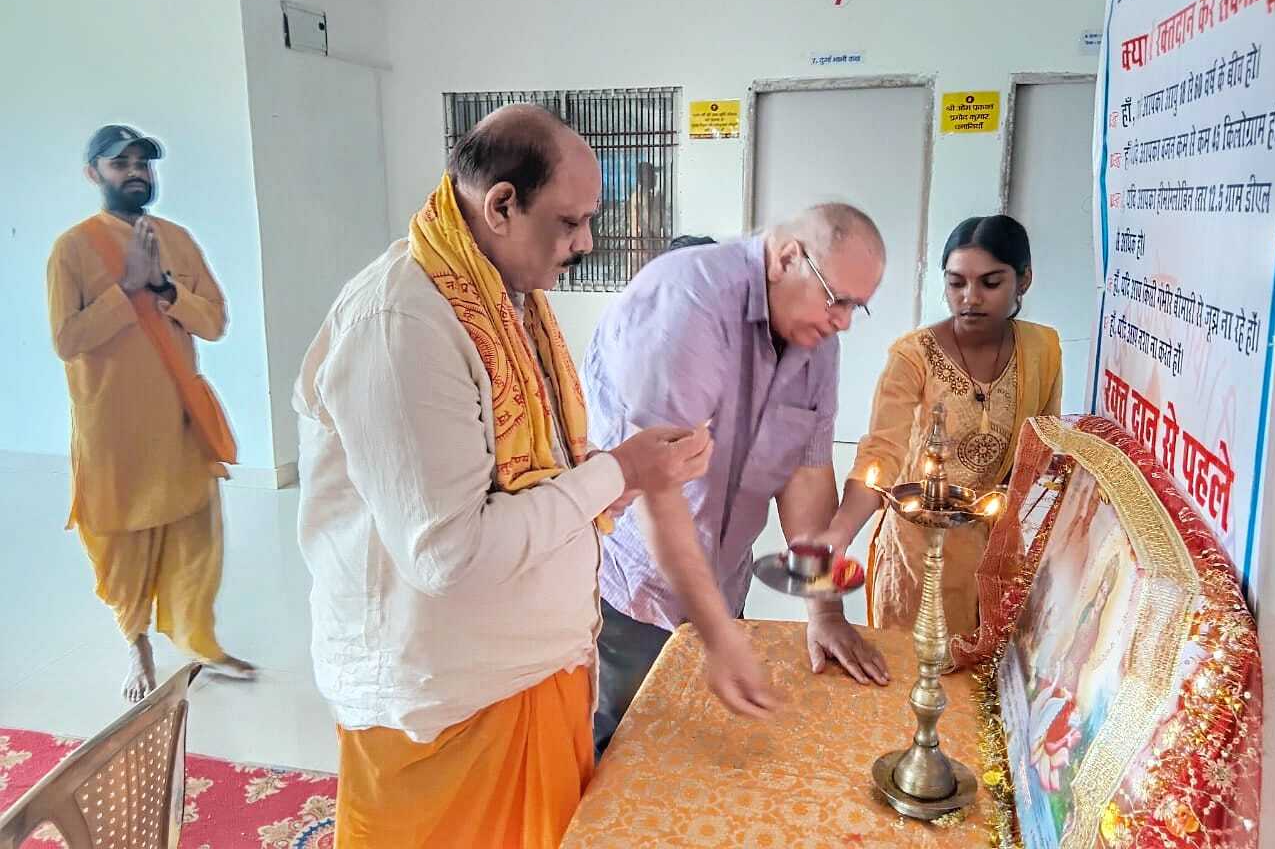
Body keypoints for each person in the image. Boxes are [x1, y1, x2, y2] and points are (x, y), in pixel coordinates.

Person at [294, 105, 767, 849]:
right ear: (501, 205)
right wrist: (617, 472)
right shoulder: (403, 323)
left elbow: (537, 480)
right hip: (448, 703)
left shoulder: (506, 301)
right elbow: (448, 553)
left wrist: (629, 477)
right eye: (570, 222)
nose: (585, 244)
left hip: (531, 672)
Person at [584, 203, 891, 757]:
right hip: (637, 591)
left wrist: (823, 609)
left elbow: (807, 472)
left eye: (856, 307)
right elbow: (660, 490)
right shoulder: (688, 303)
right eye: (837, 299)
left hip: (723, 582)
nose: (843, 321)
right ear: (787, 258)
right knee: (629, 753)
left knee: (714, 750)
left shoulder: (817, 340)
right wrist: (718, 636)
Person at [46, 124, 252, 702]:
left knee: (195, 537)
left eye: (143, 162)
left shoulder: (177, 240)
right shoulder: (72, 248)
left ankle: (200, 640)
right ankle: (136, 645)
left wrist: (164, 288)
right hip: (111, 426)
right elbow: (67, 339)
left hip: (178, 417)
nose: (136, 172)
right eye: (121, 163)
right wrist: (125, 290)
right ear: (93, 173)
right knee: (122, 544)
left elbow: (214, 321)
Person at [816, 215, 1062, 639]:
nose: (970, 298)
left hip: (995, 553)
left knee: (984, 674)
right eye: (956, 283)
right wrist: (838, 536)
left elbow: (1039, 451)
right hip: (918, 552)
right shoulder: (913, 355)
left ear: (1024, 280)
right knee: (913, 669)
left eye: (990, 283)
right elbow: (881, 454)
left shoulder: (1043, 350)